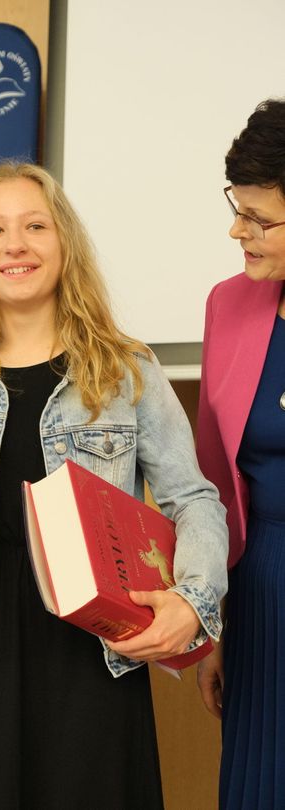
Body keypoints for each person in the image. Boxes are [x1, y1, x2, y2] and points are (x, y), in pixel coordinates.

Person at [0, 161, 228, 810]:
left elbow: (194, 500)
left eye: (35, 226)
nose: (14, 245)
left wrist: (193, 601)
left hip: (93, 661)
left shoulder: (129, 370)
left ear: (65, 241)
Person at [196, 98, 285, 809]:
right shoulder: (228, 305)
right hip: (260, 591)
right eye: (237, 209)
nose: (238, 231)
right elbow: (212, 486)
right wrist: (213, 620)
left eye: (258, 219)